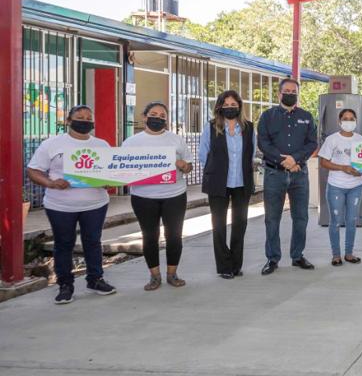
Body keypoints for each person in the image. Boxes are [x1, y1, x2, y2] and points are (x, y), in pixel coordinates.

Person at [26, 105, 116, 304]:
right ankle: (65, 285)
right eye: (79, 117)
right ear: (68, 121)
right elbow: (33, 170)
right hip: (60, 206)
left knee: (93, 242)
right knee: (63, 244)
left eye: (88, 118)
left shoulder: (101, 145)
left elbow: (111, 174)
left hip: (96, 204)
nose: (84, 121)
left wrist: (110, 182)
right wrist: (51, 183)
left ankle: (95, 279)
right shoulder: (52, 144)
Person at [123, 101, 193, 290]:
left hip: (175, 195)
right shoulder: (131, 142)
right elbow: (122, 169)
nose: (158, 118)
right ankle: (155, 276)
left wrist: (184, 165)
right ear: (145, 117)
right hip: (143, 197)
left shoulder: (176, 140)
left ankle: (172, 274)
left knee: (174, 236)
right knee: (150, 236)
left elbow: (189, 166)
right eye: (154, 114)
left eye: (163, 116)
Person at [257, 78, 318, 275]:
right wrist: (283, 161)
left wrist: (295, 160)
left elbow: (311, 143)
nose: (290, 94)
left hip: (300, 174)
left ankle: (297, 256)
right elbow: (263, 143)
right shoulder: (267, 116)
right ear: (279, 94)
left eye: (294, 91)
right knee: (272, 219)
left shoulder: (307, 117)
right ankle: (272, 258)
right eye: (287, 91)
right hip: (275, 173)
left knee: (300, 217)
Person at [200, 90, 256, 280]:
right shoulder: (211, 127)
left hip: (242, 182)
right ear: (219, 106)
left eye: (234, 104)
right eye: (226, 104)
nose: (230, 108)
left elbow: (251, 153)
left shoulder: (249, 127)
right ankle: (224, 266)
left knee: (240, 224)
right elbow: (203, 154)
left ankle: (235, 265)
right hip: (218, 182)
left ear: (239, 106)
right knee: (219, 225)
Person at [319, 108, 362, 267]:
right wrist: (343, 168)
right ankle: (336, 255)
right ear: (339, 121)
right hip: (336, 186)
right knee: (336, 221)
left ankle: (349, 253)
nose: (349, 121)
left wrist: (361, 171)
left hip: (356, 187)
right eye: (345, 118)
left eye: (352, 119)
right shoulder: (332, 139)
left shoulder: (361, 139)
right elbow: (323, 162)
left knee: (352, 221)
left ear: (356, 121)